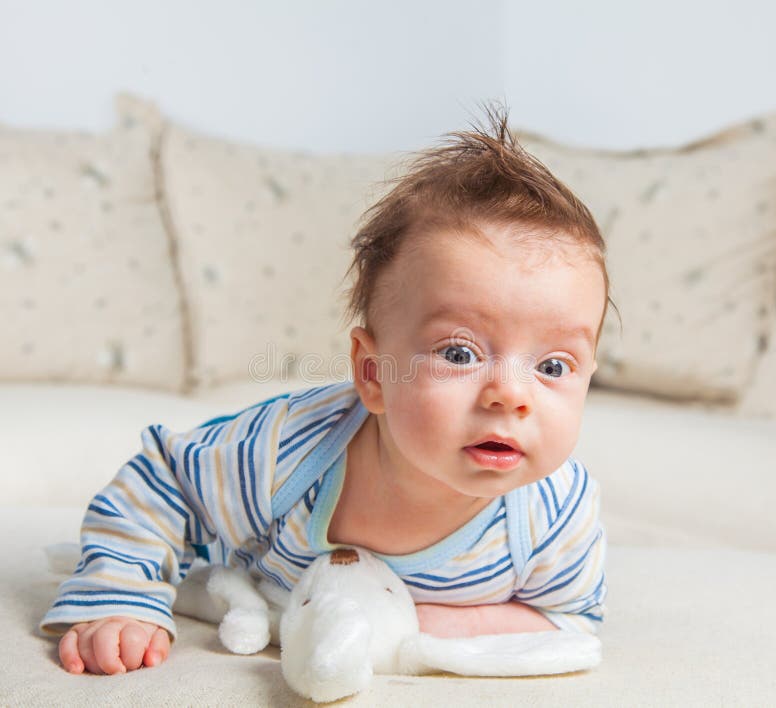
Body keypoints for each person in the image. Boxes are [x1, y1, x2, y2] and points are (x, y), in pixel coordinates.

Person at [42, 104, 610, 675]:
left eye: (555, 366)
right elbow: (163, 482)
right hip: (245, 573)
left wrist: (417, 627)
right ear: (372, 374)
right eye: (459, 353)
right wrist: (120, 598)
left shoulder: (553, 512)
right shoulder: (288, 451)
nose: (511, 396)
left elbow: (572, 623)